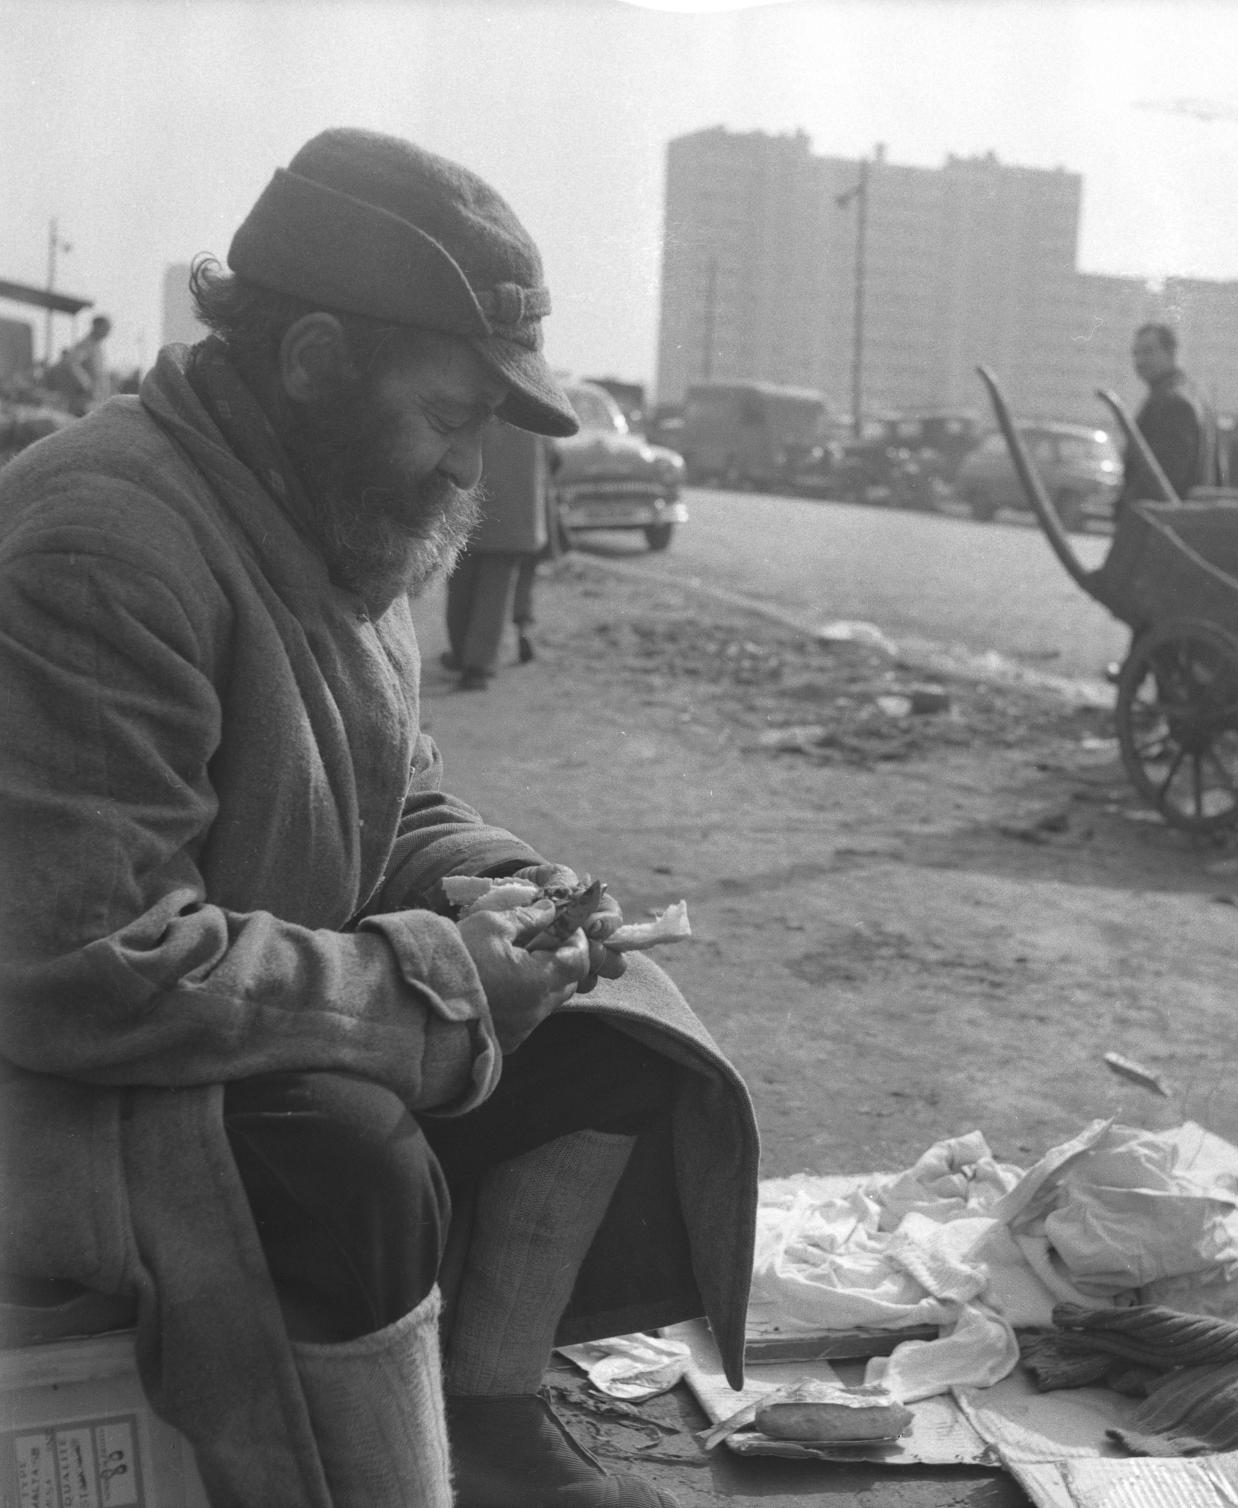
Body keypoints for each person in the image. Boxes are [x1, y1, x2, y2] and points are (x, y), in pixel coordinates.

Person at [0, 127, 758, 1508]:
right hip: (66, 1091)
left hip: (233, 1020)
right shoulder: (103, 543)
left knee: (621, 1032)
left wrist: (508, 890)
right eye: (454, 414)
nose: (471, 464)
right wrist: (440, 987)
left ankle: (487, 1417)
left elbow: (388, 794)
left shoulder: (331, 510)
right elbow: (88, 972)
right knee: (348, 1157)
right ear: (313, 365)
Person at [444, 422, 553, 689]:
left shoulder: (470, 392)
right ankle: (477, 667)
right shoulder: (532, 405)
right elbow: (554, 457)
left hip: (466, 505)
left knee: (459, 587)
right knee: (495, 591)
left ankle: (462, 654)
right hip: (513, 515)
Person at [1113, 322, 1221, 517]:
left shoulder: (1172, 403)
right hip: (1187, 521)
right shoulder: (1194, 396)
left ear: (1171, 353)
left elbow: (1161, 479)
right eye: (1136, 353)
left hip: (1162, 526)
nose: (1140, 360)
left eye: (1148, 352)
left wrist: (1129, 516)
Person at [43, 312, 113, 414]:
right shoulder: (86, 344)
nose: (108, 332)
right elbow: (72, 363)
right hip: (85, 401)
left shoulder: (96, 346)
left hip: (96, 400)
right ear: (96, 327)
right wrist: (87, 385)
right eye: (105, 328)